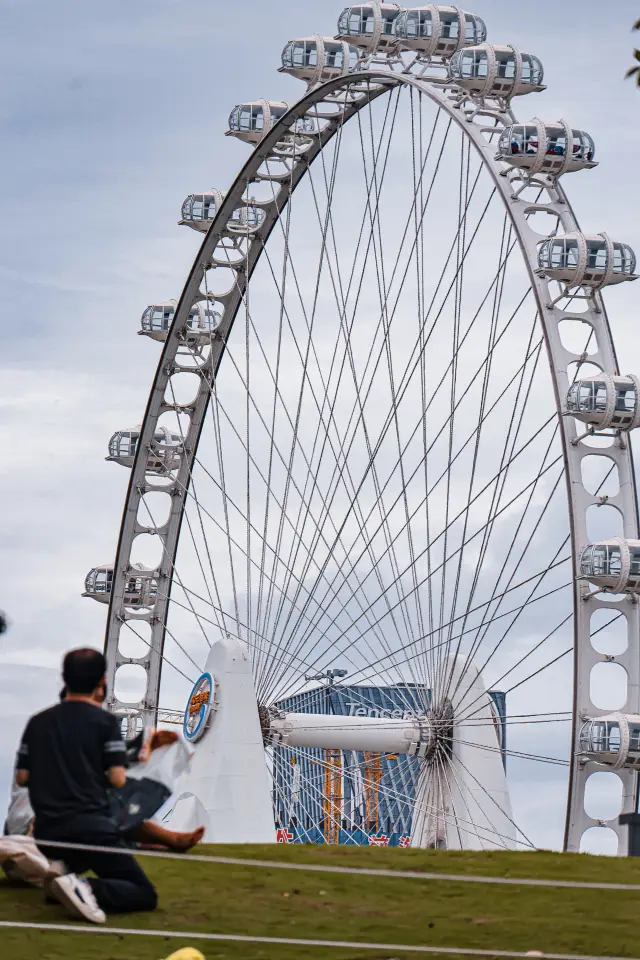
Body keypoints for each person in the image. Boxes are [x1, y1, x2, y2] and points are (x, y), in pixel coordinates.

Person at [15, 647, 159, 924]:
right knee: (143, 893)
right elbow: (117, 779)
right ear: (102, 683)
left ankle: (61, 867)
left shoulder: (37, 722)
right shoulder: (105, 723)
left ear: (64, 679)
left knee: (74, 848)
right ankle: (83, 887)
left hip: (47, 833)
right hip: (91, 831)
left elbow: (23, 777)